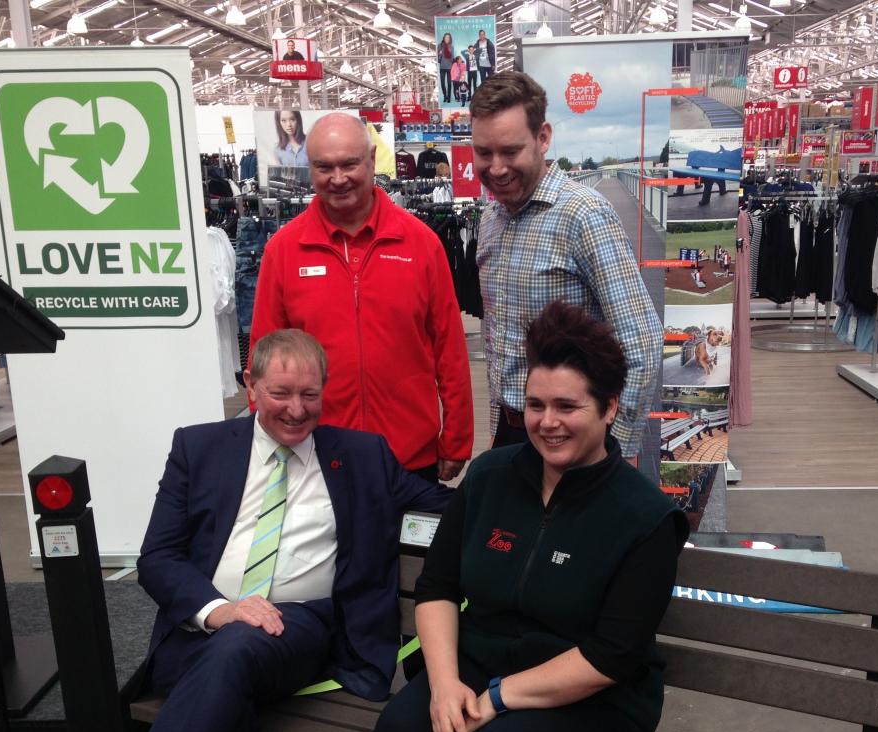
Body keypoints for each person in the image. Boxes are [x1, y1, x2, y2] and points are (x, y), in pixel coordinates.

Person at [69, 329, 453, 732]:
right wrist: (219, 610)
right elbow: (159, 558)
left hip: (297, 628)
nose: (296, 410)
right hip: (199, 637)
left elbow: (454, 506)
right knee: (226, 714)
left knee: (237, 650)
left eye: (310, 395)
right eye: (281, 393)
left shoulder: (362, 456)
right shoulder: (199, 448)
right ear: (251, 385)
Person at [372, 301, 689, 732]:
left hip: (594, 701)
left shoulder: (644, 518)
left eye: (568, 406)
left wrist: (497, 699)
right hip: (479, 666)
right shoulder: (491, 477)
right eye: (536, 405)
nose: (548, 422)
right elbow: (438, 587)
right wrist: (443, 686)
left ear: (610, 408)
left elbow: (611, 655)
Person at [250, 113, 473, 483]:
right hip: (315, 457)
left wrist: (457, 437)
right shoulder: (284, 250)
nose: (338, 179)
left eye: (349, 164)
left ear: (371, 159)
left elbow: (449, 349)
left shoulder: (421, 244)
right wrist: (267, 437)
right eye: (324, 167)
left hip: (408, 456)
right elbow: (263, 355)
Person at [469, 71, 661, 457]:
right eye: (484, 153)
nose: (497, 168)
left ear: (543, 138)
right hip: (513, 432)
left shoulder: (584, 214)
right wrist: (500, 428)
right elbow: (502, 340)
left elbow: (642, 342)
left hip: (574, 438)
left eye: (510, 151)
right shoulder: (491, 218)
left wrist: (615, 450)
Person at [438, 33, 455, 103]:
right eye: (445, 37)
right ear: (444, 38)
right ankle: (445, 96)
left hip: (449, 67)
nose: (447, 39)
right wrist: (440, 54)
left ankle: (449, 97)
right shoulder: (440, 46)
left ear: (450, 39)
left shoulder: (451, 47)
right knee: (442, 83)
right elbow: (438, 58)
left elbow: (452, 58)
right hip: (442, 67)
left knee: (449, 83)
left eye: (448, 37)